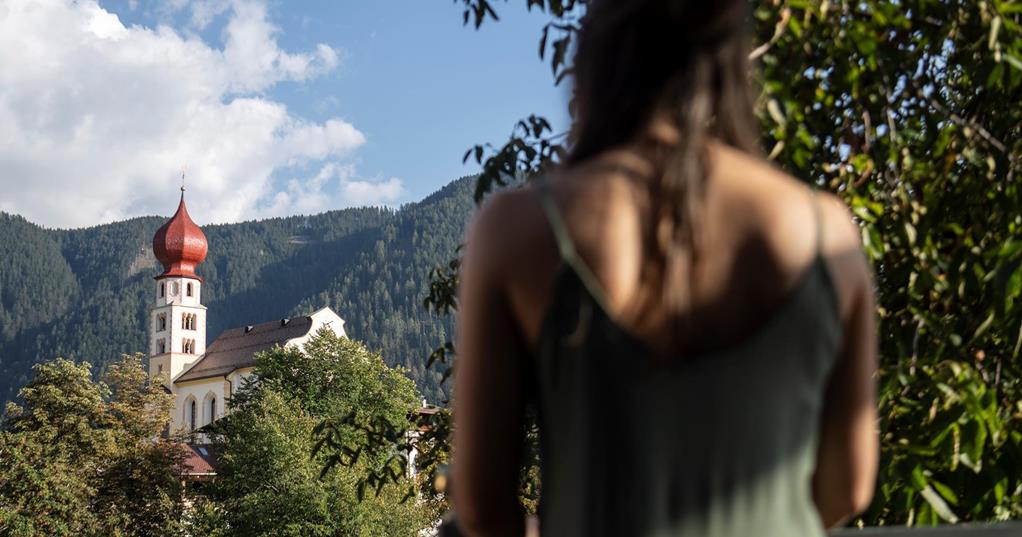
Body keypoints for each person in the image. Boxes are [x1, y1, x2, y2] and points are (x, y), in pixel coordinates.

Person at [452, 1, 879, 536]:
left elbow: (480, 506)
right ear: (733, 70)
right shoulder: (827, 234)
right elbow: (850, 486)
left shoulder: (518, 229)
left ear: (593, 72)